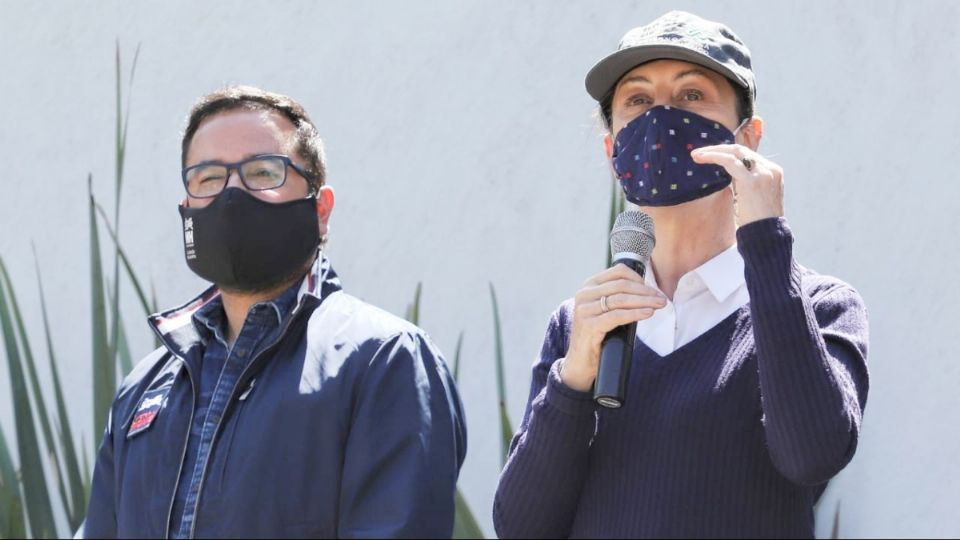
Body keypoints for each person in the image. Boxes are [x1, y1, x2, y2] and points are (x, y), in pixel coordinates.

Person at [494, 11, 869, 539]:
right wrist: (573, 380)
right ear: (612, 150)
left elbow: (812, 456)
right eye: (638, 100)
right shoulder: (580, 326)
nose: (661, 118)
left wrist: (767, 246)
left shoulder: (821, 305)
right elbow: (522, 527)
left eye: (692, 95)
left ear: (749, 138)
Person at [82, 86, 467, 539]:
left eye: (264, 172)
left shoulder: (385, 361)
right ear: (187, 209)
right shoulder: (143, 390)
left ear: (321, 210)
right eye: (208, 178)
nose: (232, 195)